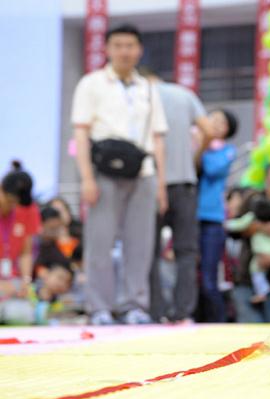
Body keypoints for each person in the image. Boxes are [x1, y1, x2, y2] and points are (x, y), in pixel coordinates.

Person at [71, 24, 168, 325]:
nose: (124, 51)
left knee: (140, 243)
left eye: (130, 45)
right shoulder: (92, 83)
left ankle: (135, 305)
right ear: (108, 49)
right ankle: (99, 307)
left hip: (143, 172)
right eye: (118, 45)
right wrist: (86, 177)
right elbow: (81, 132)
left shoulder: (149, 88)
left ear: (139, 50)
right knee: (100, 240)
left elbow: (158, 137)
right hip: (104, 173)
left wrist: (161, 183)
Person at [142, 68, 213, 323]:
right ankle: (182, 311)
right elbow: (209, 130)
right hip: (184, 182)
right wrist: (194, 157)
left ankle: (155, 310)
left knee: (148, 251)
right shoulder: (184, 95)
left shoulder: (140, 95)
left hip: (149, 183)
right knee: (185, 251)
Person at [196, 108, 238, 322]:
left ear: (227, 130)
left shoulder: (228, 151)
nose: (213, 123)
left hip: (212, 220)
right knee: (191, 276)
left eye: (220, 122)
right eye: (211, 118)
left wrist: (201, 144)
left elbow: (210, 169)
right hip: (191, 217)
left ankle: (218, 322)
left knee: (209, 278)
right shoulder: (196, 144)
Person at [224, 197, 270, 304]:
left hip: (262, 253)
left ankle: (262, 291)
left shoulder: (252, 218)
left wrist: (225, 224)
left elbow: (238, 224)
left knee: (255, 270)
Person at [0, 166, 38, 290]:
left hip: (11, 279)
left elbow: (26, 252)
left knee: (23, 308)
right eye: (10, 201)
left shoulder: (28, 209)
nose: (13, 206)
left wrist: (26, 281)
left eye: (17, 203)